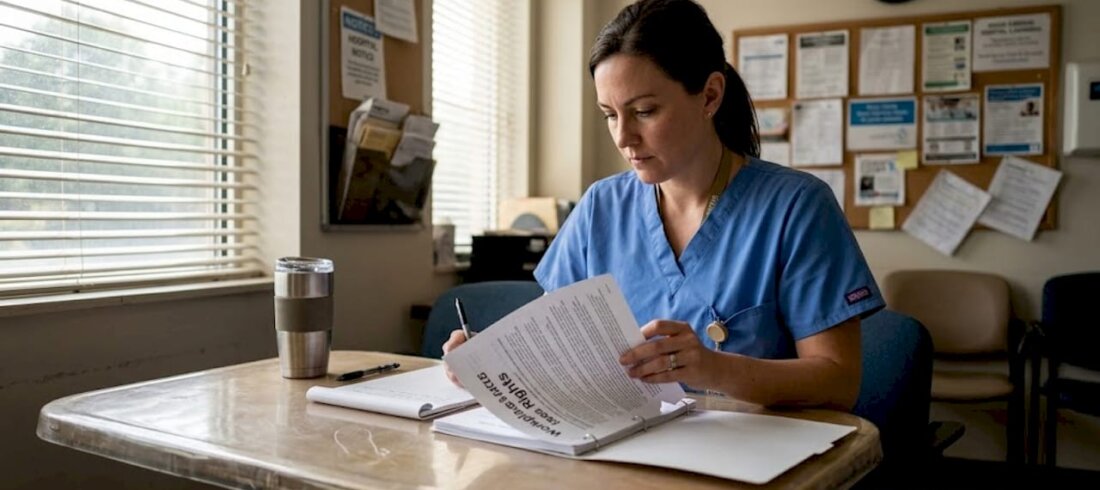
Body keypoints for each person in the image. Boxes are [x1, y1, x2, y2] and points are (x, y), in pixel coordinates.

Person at [444, 0, 883, 411]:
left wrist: (714, 367)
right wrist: (488, 359)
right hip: (625, 449)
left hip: (752, 455)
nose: (622, 137)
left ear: (710, 96)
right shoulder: (601, 207)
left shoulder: (797, 207)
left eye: (645, 111)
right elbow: (558, 349)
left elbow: (838, 383)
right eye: (610, 115)